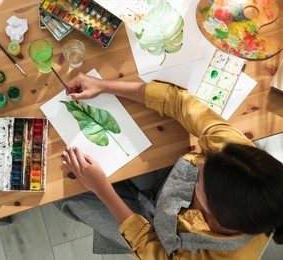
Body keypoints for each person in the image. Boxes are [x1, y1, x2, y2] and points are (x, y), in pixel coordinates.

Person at [56, 73, 283, 259]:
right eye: (210, 158)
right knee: (113, 158)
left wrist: (102, 189)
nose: (200, 163)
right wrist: (103, 84)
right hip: (166, 182)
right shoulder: (233, 152)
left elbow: (150, 247)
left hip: (155, 235)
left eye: (201, 181)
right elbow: (179, 102)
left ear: (212, 218)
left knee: (67, 195)